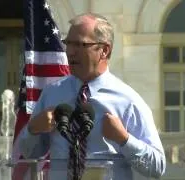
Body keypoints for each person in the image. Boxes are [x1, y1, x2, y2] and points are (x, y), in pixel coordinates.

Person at [16, 13, 166, 179]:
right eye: (68, 43)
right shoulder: (52, 93)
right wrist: (33, 129)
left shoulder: (128, 101)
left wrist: (124, 139)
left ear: (104, 50)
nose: (70, 52)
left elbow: (156, 167)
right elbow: (30, 152)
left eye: (80, 44)